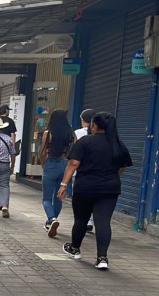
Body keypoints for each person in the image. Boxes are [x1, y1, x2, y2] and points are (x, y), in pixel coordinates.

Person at [58, 112, 132, 270]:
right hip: (110, 188)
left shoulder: (85, 141)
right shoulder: (118, 143)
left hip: (85, 186)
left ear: (94, 126)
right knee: (103, 221)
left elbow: (73, 163)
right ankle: (102, 258)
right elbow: (122, 167)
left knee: (81, 219)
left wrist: (64, 184)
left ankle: (75, 248)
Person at [38, 109, 74, 237]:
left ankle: (52, 219)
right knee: (59, 196)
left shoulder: (48, 133)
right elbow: (74, 152)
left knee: (46, 198)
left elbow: (42, 153)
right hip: (65, 165)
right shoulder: (71, 134)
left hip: (50, 163)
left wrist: (43, 165)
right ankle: (51, 221)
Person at [75, 108, 96, 233]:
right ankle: (90, 221)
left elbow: (75, 152)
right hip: (96, 171)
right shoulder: (101, 133)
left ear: (83, 120)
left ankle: (81, 220)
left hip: (80, 170)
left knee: (80, 198)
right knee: (94, 198)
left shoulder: (78, 133)